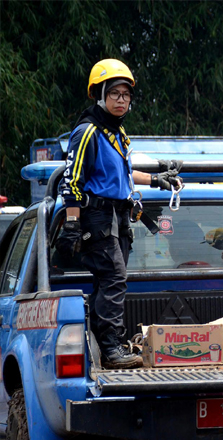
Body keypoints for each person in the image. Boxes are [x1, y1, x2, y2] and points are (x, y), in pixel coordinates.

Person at [56, 59, 182, 369]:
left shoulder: (116, 133)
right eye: (114, 93)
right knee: (114, 278)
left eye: (126, 94)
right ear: (99, 95)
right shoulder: (87, 132)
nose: (121, 100)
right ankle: (112, 350)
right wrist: (72, 224)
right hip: (97, 217)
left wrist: (156, 179)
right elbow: (72, 182)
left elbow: (122, 176)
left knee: (106, 281)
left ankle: (104, 345)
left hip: (119, 216)